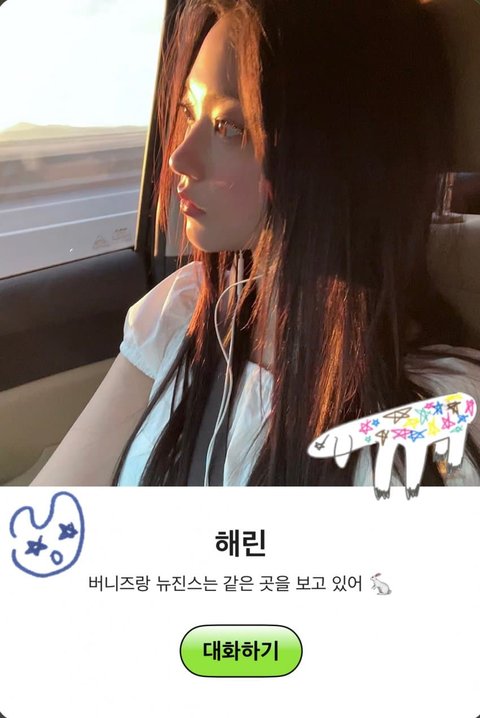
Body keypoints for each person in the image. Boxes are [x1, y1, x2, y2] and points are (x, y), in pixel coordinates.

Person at [32, 0, 480, 488]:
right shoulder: (183, 309)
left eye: (230, 127)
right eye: (189, 111)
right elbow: (51, 510)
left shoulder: (432, 420)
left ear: (332, 156)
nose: (180, 157)